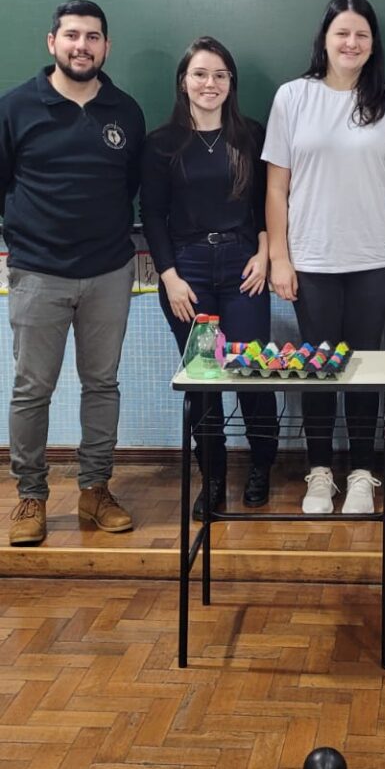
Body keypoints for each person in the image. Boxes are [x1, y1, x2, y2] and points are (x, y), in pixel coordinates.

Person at [0, 0, 145, 546]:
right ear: (52, 42)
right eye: (72, 35)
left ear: (106, 47)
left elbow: (128, 185)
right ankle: (31, 497)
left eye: (92, 37)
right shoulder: (15, 108)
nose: (81, 46)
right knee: (31, 389)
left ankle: (95, 490)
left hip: (109, 271)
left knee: (102, 384)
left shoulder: (125, 111)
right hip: (38, 274)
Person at [264, 0, 385, 515]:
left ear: (373, 44)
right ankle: (321, 471)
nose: (351, 43)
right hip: (312, 258)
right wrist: (280, 257)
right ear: (324, 40)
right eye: (342, 33)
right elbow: (276, 187)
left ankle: (364, 472)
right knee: (319, 368)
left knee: (365, 367)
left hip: (373, 256)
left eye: (361, 35)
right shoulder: (292, 97)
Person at [140, 36, 278, 514]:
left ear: (231, 82)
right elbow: (152, 215)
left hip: (243, 266)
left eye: (220, 75)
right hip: (188, 271)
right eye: (200, 74)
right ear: (184, 81)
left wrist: (265, 255)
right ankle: (213, 476)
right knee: (203, 378)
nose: (210, 83)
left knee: (252, 371)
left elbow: (266, 203)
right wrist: (169, 276)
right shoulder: (161, 144)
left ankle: (261, 466)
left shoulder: (251, 135)